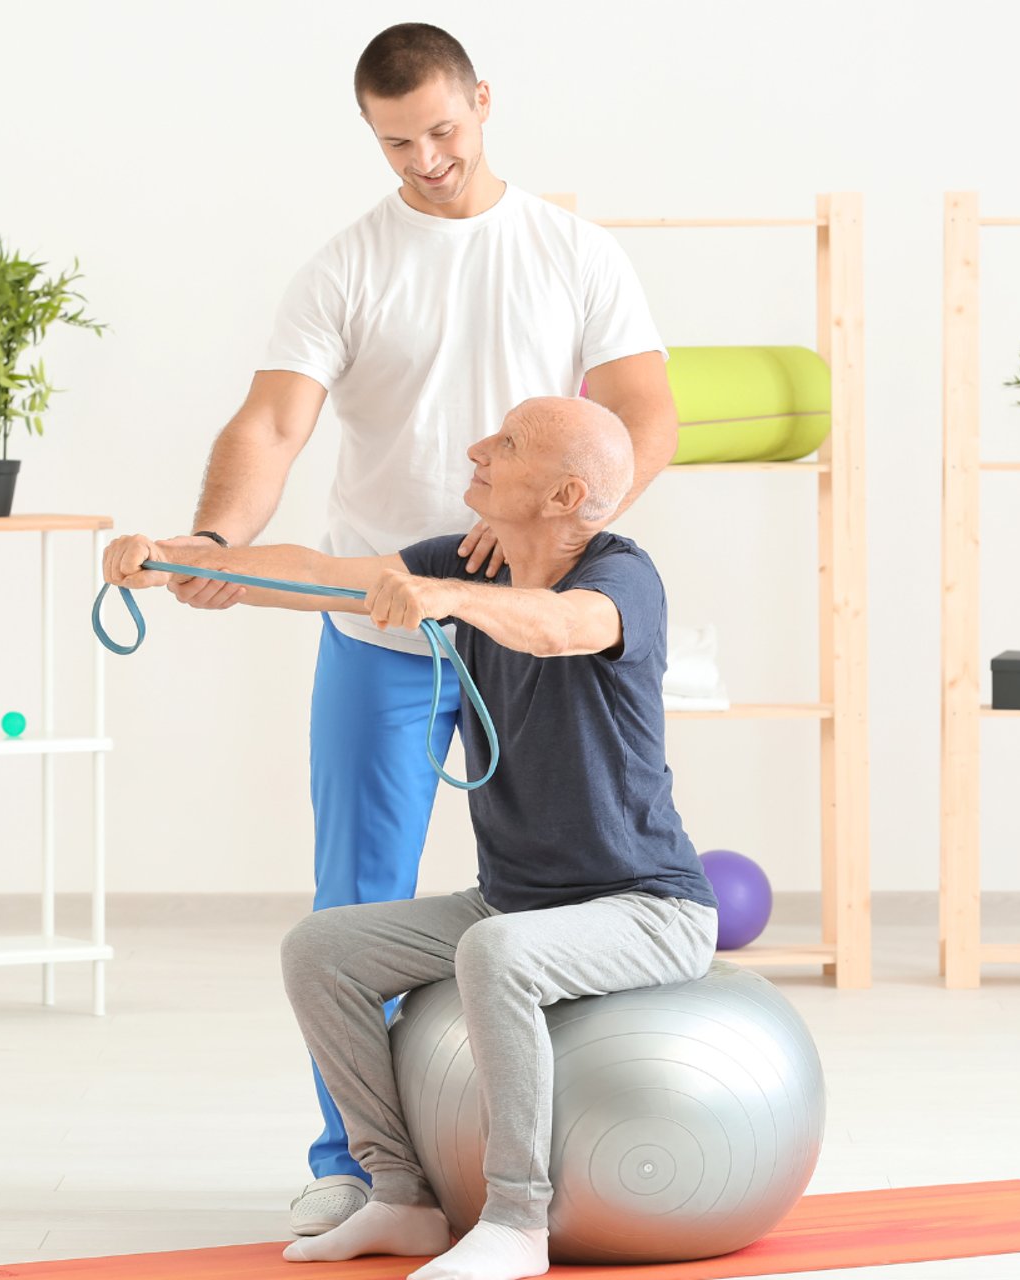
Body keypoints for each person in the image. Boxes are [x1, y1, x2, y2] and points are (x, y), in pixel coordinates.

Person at [157, 22, 677, 1235]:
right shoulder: (346, 266)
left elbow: (644, 415)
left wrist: (565, 531)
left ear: (484, 103)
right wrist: (217, 542)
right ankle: (359, 1166)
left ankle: (517, 1173)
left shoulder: (572, 250)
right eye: (398, 143)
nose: (427, 159)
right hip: (384, 621)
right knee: (352, 911)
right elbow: (272, 424)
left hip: (522, 620)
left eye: (443, 130)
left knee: (569, 871)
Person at [102, 397, 714, 1280]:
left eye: (504, 445)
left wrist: (448, 596)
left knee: (497, 955)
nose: (476, 449)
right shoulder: (468, 562)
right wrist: (186, 558)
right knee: (322, 949)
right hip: (515, 896)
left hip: (646, 907)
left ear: (565, 494)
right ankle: (401, 1197)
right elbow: (320, 572)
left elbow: (564, 627)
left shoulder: (624, 577)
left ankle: (517, 1220)